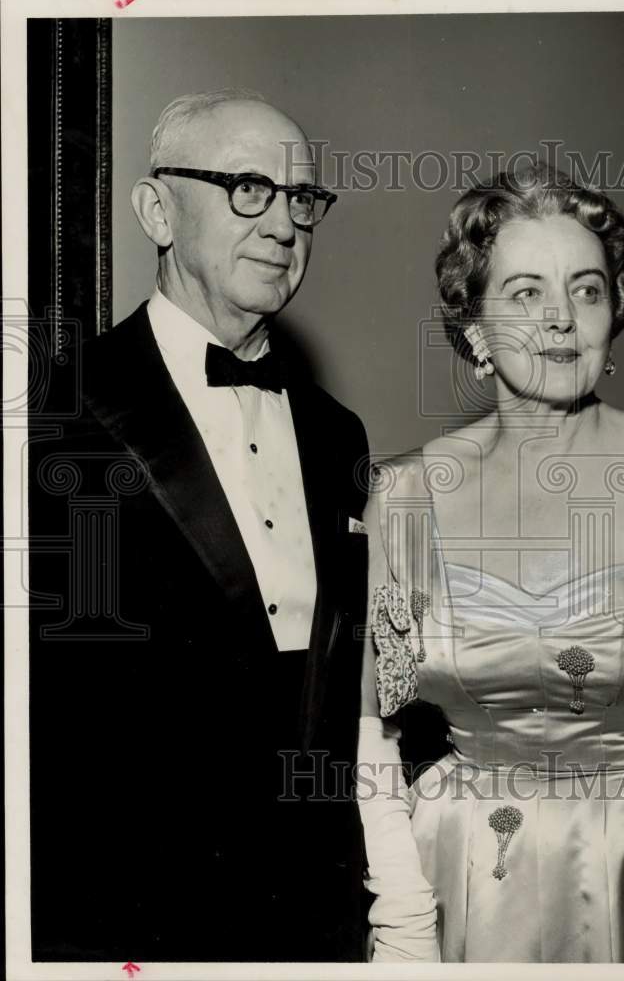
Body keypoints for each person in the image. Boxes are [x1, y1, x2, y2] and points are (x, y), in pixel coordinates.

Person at [356, 161, 624, 963]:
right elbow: (370, 724)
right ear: (472, 322)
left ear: (615, 313)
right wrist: (402, 923)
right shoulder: (404, 498)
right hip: (465, 874)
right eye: (524, 293)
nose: (560, 321)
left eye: (585, 290)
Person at [28, 89, 369, 962]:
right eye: (246, 188)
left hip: (319, 909)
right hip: (128, 911)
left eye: (301, 199)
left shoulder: (338, 436)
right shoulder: (55, 414)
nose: (284, 225)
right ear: (156, 210)